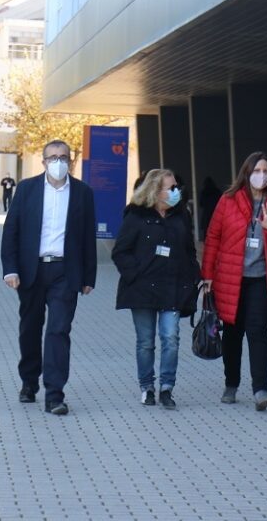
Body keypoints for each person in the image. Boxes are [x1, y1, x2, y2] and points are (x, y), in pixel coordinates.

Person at [1, 140, 97, 415]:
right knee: (30, 328)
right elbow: (12, 231)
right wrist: (10, 269)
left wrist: (88, 275)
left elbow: (88, 237)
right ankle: (29, 381)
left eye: (63, 157)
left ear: (70, 161)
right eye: (52, 157)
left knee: (58, 330)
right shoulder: (27, 189)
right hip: (31, 270)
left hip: (65, 272)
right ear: (43, 162)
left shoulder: (83, 193)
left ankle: (55, 394)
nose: (58, 162)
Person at [201, 152, 267, 411]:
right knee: (232, 332)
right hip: (231, 278)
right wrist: (207, 275)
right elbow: (213, 237)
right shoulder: (228, 200)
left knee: (259, 332)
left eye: (265, 170)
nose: (261, 175)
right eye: (256, 170)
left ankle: (261, 389)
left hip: (261, 279)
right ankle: (231, 383)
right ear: (246, 173)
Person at [112, 169, 200, 409]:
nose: (175, 192)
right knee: (145, 342)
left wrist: (194, 277)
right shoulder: (136, 216)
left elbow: (189, 250)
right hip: (142, 289)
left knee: (170, 337)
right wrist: (135, 273)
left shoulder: (181, 216)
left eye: (176, 187)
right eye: (170, 188)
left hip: (172, 287)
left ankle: (167, 387)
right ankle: (147, 387)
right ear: (155, 190)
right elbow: (120, 251)